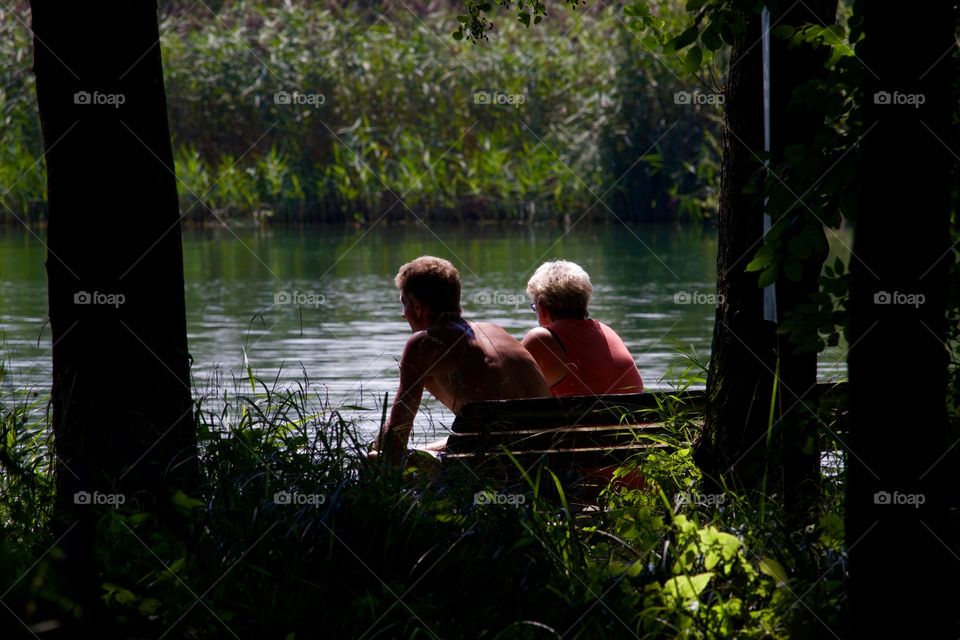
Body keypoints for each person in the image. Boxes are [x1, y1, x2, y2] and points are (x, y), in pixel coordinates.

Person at [369, 256, 550, 465]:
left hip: (497, 470)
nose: (403, 314)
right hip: (549, 465)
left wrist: (376, 449)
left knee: (374, 461)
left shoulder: (423, 343)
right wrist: (422, 450)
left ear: (417, 306)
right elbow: (488, 433)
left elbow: (396, 437)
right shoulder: (497, 331)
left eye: (404, 304)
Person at [521, 260, 644, 397]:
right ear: (585, 302)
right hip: (631, 417)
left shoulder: (541, 339)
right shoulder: (608, 332)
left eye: (534, 308)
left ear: (542, 308)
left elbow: (509, 394)